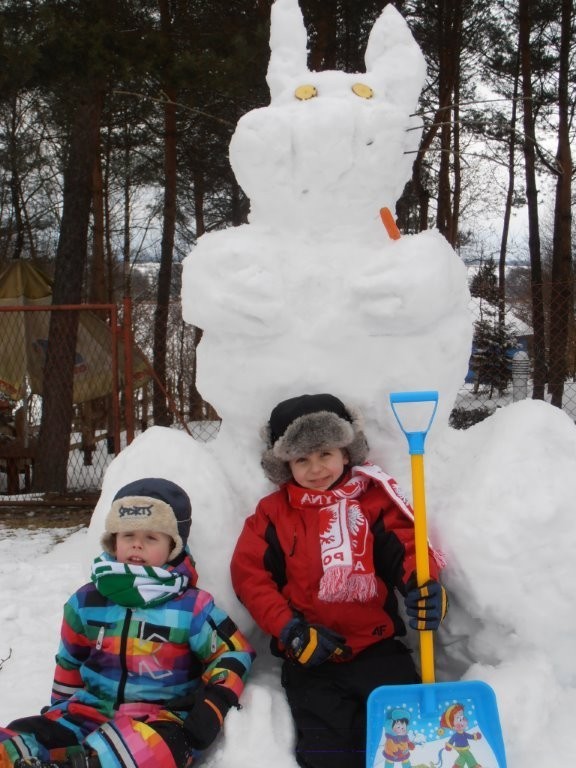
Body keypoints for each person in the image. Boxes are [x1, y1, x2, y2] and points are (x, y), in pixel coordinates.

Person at [230, 393, 447, 768]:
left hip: (379, 651)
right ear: (285, 466)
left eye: (325, 454)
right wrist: (290, 630)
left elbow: (407, 548)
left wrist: (423, 587)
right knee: (327, 754)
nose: (316, 469)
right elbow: (250, 576)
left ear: (346, 453)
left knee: (405, 745)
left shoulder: (372, 500)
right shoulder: (273, 514)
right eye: (302, 459)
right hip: (313, 657)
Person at [0, 478, 255, 768]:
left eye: (151, 537)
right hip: (87, 716)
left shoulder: (191, 607)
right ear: (113, 541)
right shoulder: (86, 602)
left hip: (153, 723)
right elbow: (70, 661)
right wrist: (59, 712)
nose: (137, 544)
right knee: (15, 739)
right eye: (128, 535)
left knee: (152, 749)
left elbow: (234, 651)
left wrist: (214, 704)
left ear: (172, 546)